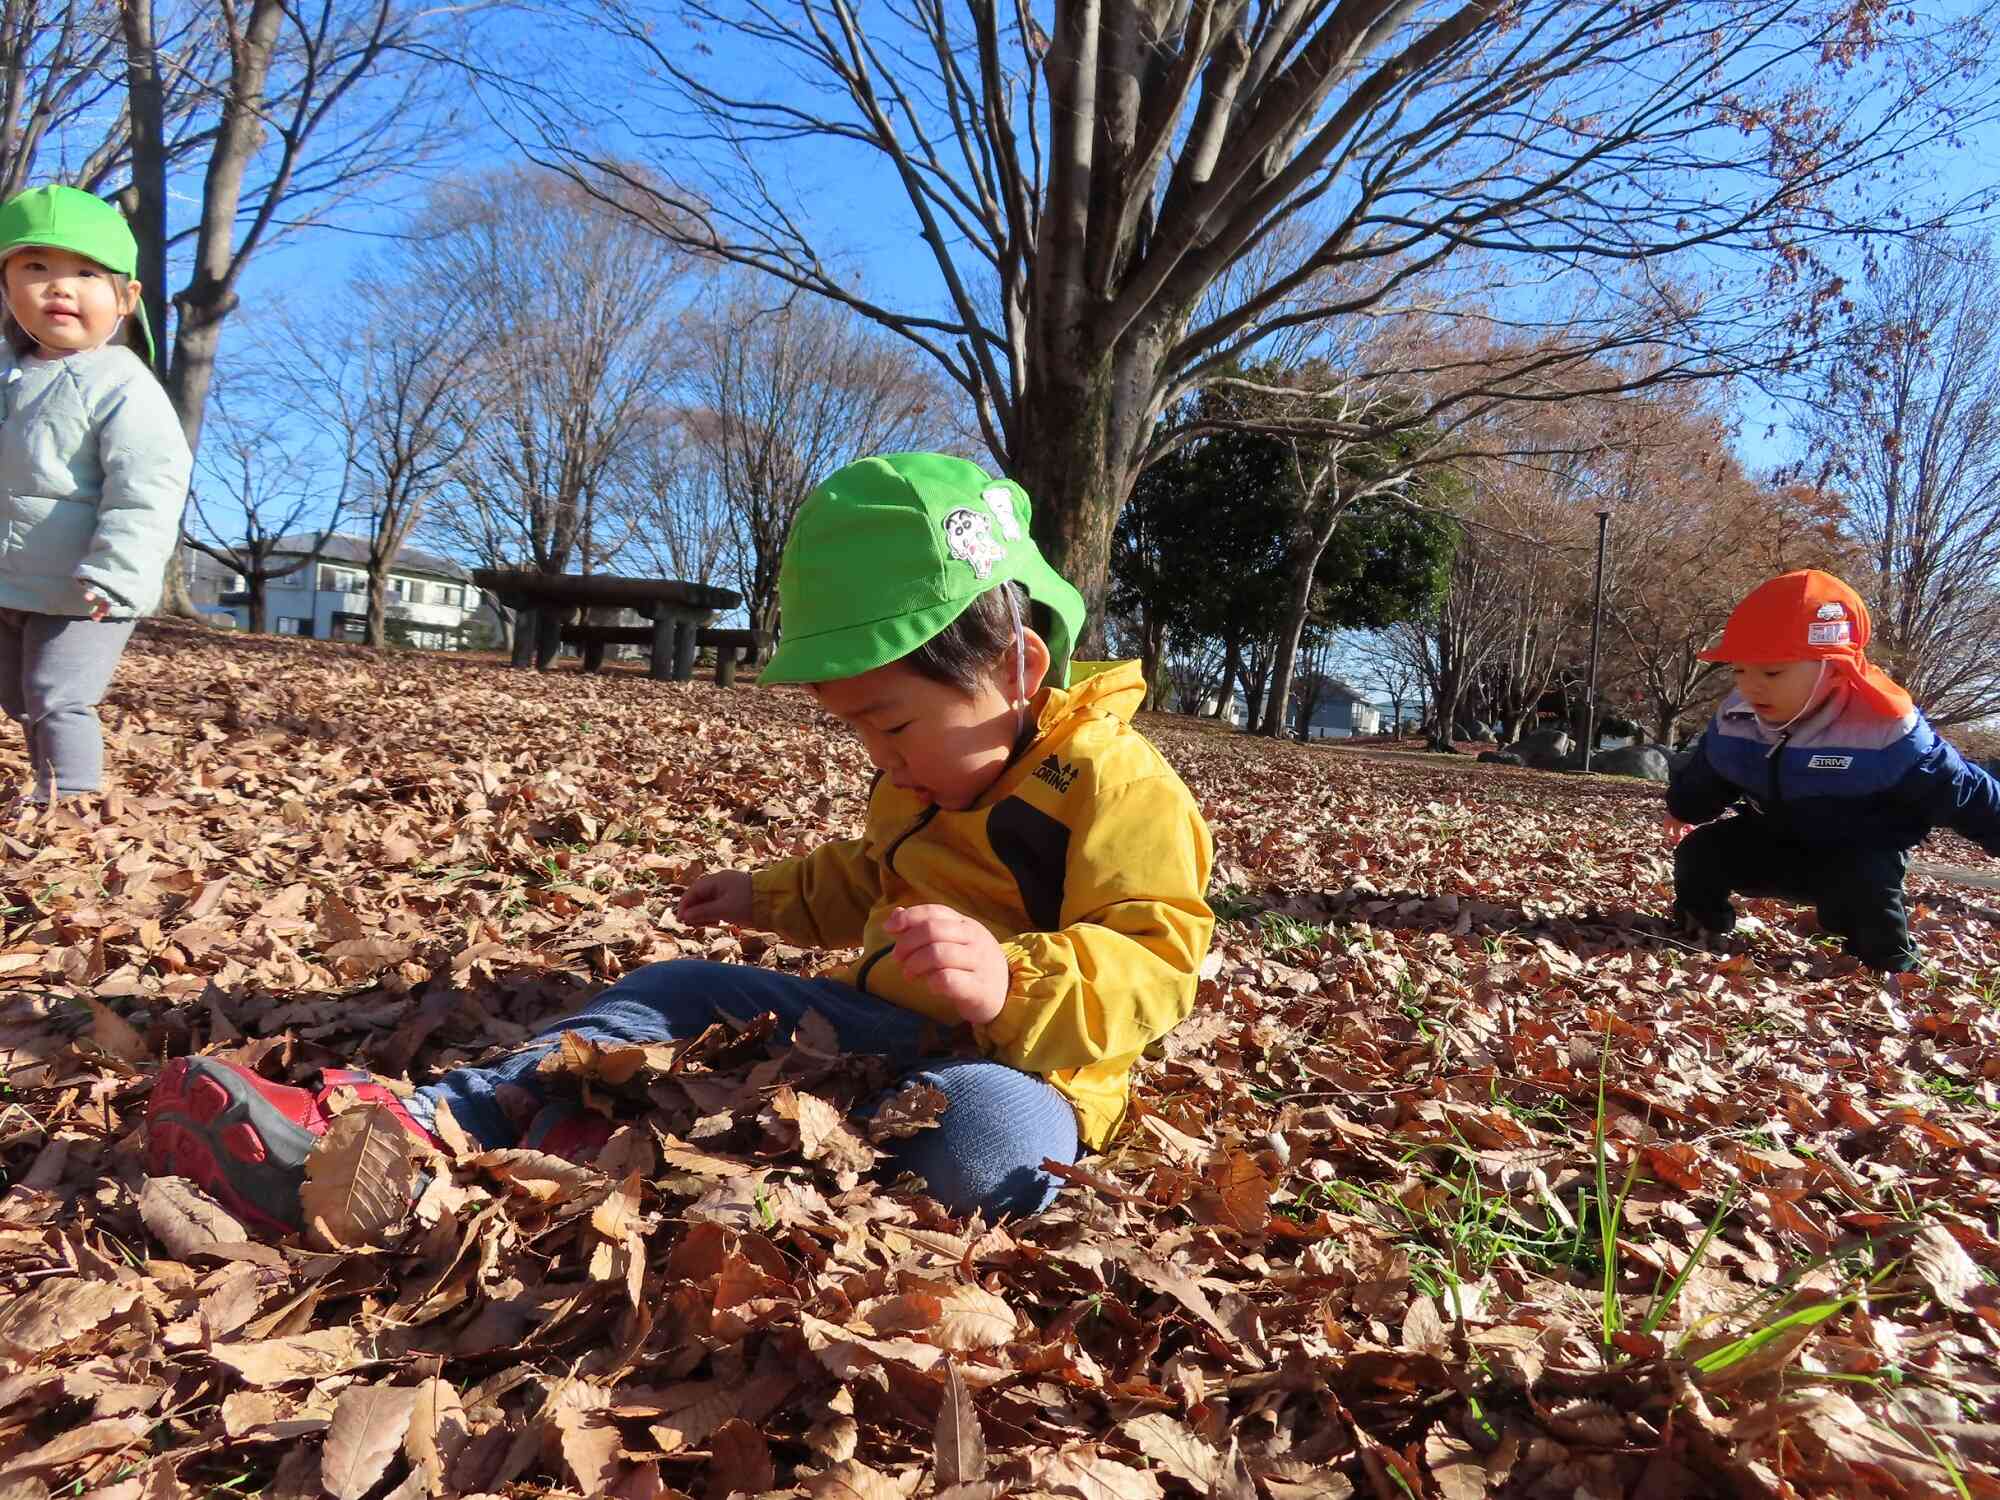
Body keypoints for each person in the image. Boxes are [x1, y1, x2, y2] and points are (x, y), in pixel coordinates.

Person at [147, 452, 1216, 1231]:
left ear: (1019, 671)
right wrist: (764, 896)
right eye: (855, 731)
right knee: (676, 986)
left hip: (1033, 1066)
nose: (881, 760)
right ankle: (427, 1124)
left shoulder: (1116, 786)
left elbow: (1159, 958)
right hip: (874, 1021)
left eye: (890, 724)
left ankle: (710, 1184)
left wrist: (1009, 981)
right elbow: (864, 879)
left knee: (986, 1147)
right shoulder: (923, 779)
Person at [1665, 568, 2000, 972]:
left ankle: (1892, 965)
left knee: (1865, 887)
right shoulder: (1739, 717)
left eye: (1771, 672)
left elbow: (1965, 792)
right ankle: (1701, 927)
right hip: (1770, 840)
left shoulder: (1884, 731)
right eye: (1739, 669)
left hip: (1854, 852)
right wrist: (1685, 808)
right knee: (1699, 854)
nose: (1751, 686)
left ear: (1833, 667)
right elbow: (1711, 770)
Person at [0, 185, 191, 807]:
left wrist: (118, 572)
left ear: (126, 299)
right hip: (12, 579)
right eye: (36, 268)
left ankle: (72, 802)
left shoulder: (121, 384)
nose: (60, 287)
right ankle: (46, 784)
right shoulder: (7, 373)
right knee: (19, 695)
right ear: (5, 287)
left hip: (86, 591)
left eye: (86, 273)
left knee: (58, 693)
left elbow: (149, 485)